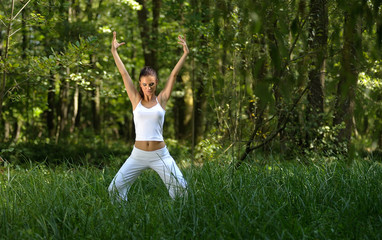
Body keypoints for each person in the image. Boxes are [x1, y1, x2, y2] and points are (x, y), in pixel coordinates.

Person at [108, 31, 189, 201]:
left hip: (160, 155)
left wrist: (185, 54)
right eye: (144, 84)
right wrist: (114, 52)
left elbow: (173, 75)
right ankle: (121, 220)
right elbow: (124, 74)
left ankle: (178, 221)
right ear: (140, 84)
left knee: (181, 191)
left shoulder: (162, 100)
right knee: (114, 189)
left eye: (151, 84)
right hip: (138, 155)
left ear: (156, 83)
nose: (148, 87)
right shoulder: (135, 100)